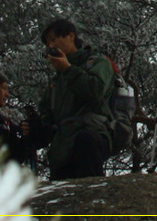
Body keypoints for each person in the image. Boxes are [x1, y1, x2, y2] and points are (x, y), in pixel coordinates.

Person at [24, 18, 115, 180]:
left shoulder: (97, 63)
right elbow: (47, 124)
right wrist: (33, 129)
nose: (51, 46)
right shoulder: (55, 83)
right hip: (61, 151)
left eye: (54, 39)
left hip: (90, 139)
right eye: (48, 43)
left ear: (71, 36)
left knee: (90, 189)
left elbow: (95, 91)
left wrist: (67, 69)